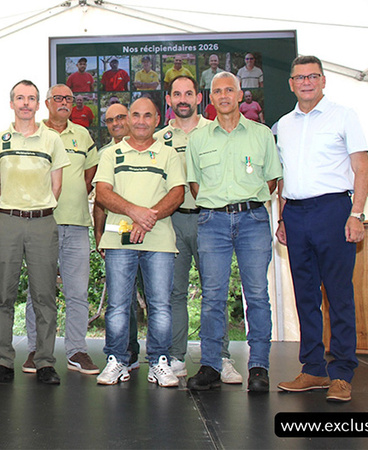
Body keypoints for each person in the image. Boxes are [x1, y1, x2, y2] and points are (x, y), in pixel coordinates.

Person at [275, 56, 368, 403]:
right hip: (296, 214)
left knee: (338, 294)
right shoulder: (282, 125)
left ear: (323, 80)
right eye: (299, 77)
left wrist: (356, 214)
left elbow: (362, 169)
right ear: (291, 83)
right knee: (305, 296)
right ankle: (314, 368)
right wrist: (283, 219)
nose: (306, 82)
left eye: (312, 76)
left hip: (334, 210)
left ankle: (342, 372)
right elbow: (283, 178)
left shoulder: (344, 115)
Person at [185, 72, 282, 393]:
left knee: (256, 296)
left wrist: (246, 200)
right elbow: (195, 183)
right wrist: (219, 205)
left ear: (241, 95)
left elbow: (271, 180)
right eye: (217, 91)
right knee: (213, 297)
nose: (224, 95)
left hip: (253, 220)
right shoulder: (199, 139)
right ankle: (211, 364)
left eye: (230, 90)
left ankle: (259, 367)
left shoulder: (262, 134)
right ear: (209, 98)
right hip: (212, 223)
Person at [153, 76, 242, 384]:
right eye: (176, 94)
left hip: (211, 220)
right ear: (168, 99)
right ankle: (176, 357)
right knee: (173, 292)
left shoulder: (215, 131)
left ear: (199, 98)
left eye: (188, 93)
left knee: (214, 293)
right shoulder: (159, 138)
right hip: (172, 221)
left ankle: (219, 358)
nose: (183, 99)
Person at [93, 97, 185, 386]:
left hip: (158, 240)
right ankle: (117, 360)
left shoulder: (169, 154)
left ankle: (160, 361)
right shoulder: (111, 154)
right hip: (119, 239)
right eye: (136, 115)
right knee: (119, 305)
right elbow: (103, 193)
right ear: (128, 119)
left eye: (148, 115)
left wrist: (148, 219)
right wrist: (136, 213)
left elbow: (178, 193)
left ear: (157, 119)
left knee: (160, 305)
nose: (141, 121)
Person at [0, 80, 69, 385]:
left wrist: (38, 208)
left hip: (43, 223)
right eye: (20, 98)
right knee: (3, 295)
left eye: (31, 98)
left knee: (44, 295)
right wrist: (7, 208)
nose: (26, 103)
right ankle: (3, 362)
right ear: (11, 103)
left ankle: (45, 361)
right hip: (7, 222)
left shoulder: (52, 140)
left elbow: (56, 185)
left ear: (38, 104)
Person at [24, 84, 100, 376]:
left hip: (77, 223)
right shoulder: (34, 133)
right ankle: (36, 349)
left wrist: (75, 193)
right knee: (38, 291)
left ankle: (77, 351)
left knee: (78, 292)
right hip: (41, 223)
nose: (65, 102)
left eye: (69, 98)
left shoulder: (82, 135)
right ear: (46, 103)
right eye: (59, 98)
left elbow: (90, 173)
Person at [93, 104, 142, 373]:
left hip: (151, 231)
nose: (116, 123)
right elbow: (100, 199)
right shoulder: (104, 155)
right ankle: (125, 352)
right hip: (117, 234)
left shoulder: (153, 147)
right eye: (110, 120)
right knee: (123, 298)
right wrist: (98, 233)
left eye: (121, 117)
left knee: (159, 297)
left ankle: (166, 357)